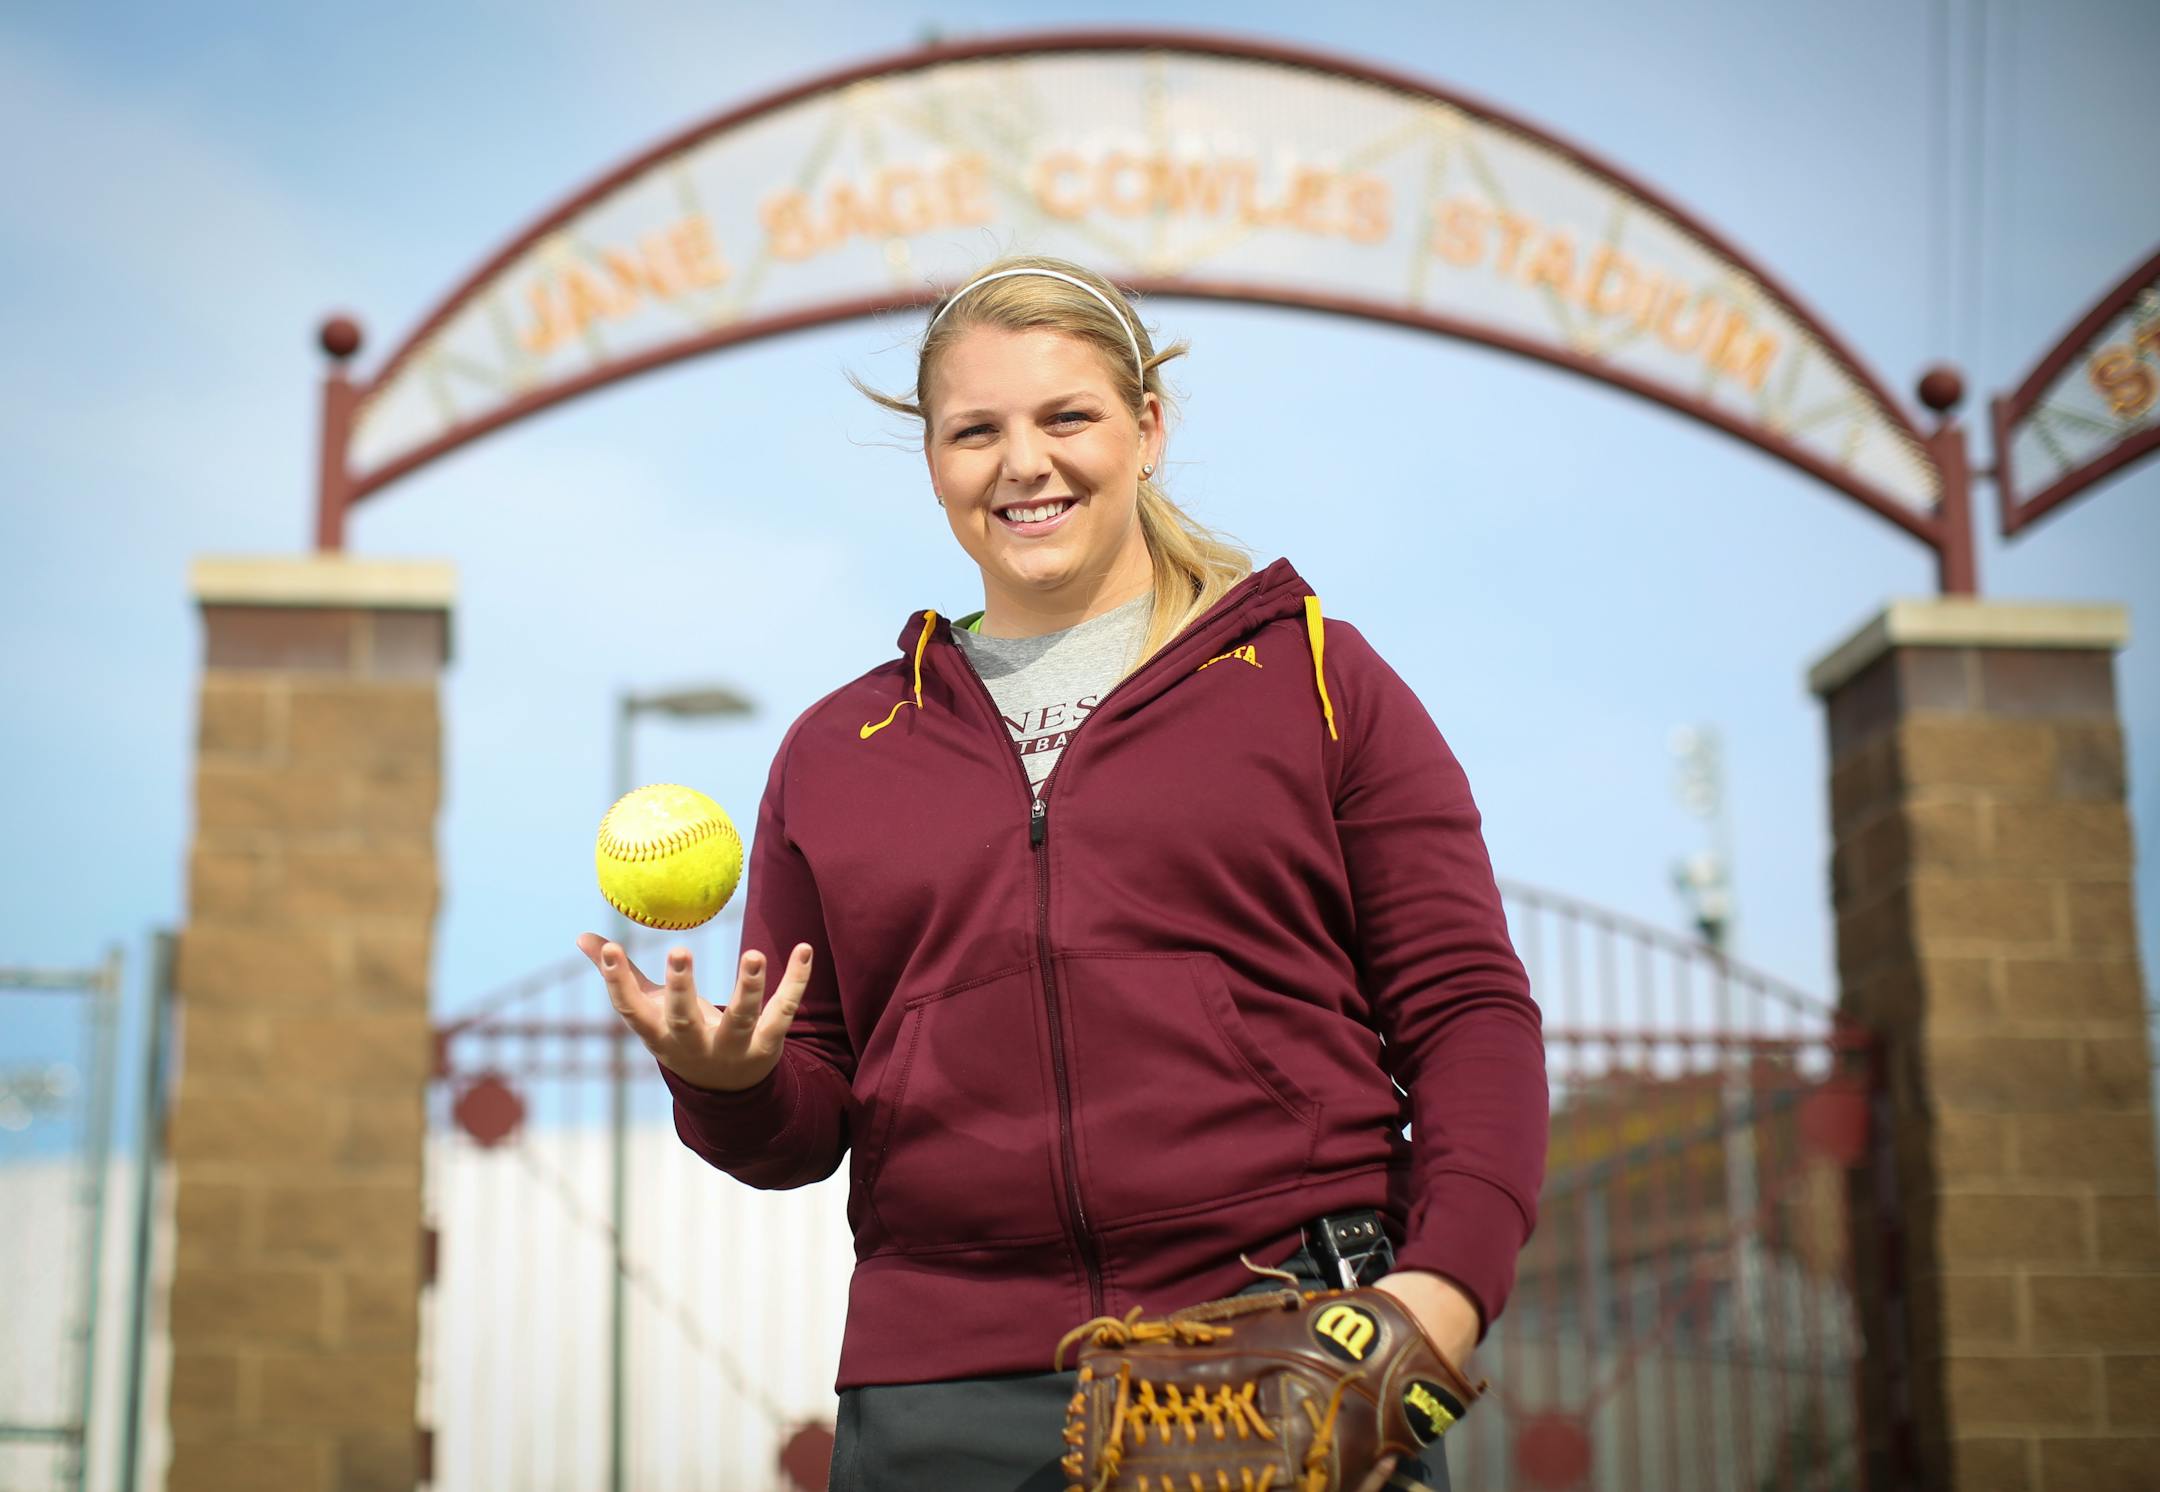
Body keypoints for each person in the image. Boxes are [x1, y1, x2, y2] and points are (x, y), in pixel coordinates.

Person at [576, 254, 1548, 1491]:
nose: (1022, 463)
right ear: (933, 463)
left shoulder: (1316, 674)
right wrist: (727, 1082)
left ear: (1148, 429)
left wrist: (1445, 1294)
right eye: (975, 431)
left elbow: (1467, 1011)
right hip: (939, 1396)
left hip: (1288, 1344)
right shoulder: (835, 750)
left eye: (1066, 417)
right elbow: (803, 1124)